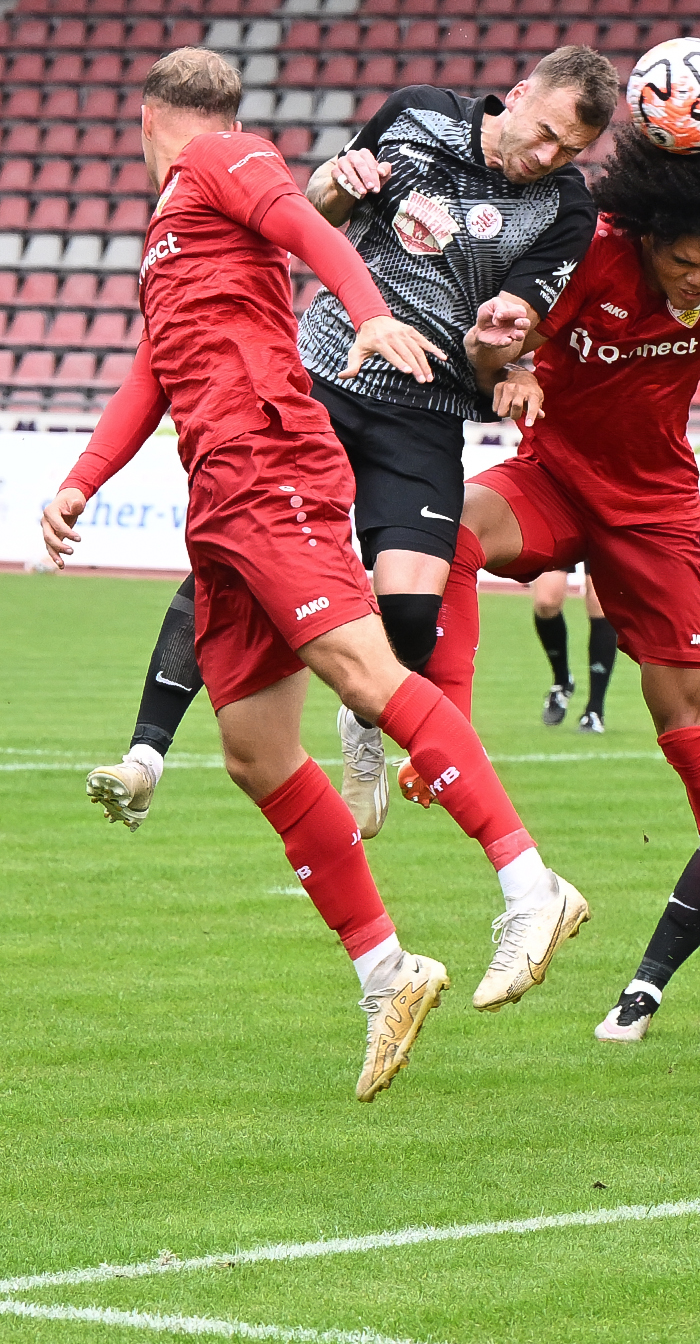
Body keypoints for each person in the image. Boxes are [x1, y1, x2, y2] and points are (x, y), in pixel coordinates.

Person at [44, 49, 586, 1098]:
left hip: (266, 450)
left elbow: (302, 216)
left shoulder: (218, 158)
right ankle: (388, 968)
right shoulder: (170, 231)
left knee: (363, 668)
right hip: (218, 483)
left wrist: (367, 304)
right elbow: (156, 368)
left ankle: (531, 880)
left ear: (147, 114)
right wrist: (79, 482)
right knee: (254, 750)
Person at [85, 48, 619, 837]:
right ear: (516, 96)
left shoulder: (567, 208)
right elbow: (319, 206)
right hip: (323, 380)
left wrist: (505, 346)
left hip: (428, 406)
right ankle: (147, 750)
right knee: (232, 553)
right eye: (544, 134)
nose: (549, 158)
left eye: (569, 151)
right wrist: (339, 180)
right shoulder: (416, 114)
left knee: (408, 613)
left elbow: (508, 327)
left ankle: (359, 725)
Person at [413, 123, 700, 1051]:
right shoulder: (589, 252)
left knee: (683, 718)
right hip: (555, 474)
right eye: (679, 262)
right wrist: (514, 366)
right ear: (644, 234)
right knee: (444, 529)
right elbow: (494, 345)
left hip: (653, 507)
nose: (695, 280)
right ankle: (435, 723)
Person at [528, 567, 611, 731]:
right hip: (562, 539)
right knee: (546, 602)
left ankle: (595, 709)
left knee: (599, 600)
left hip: (605, 540)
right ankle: (562, 681)